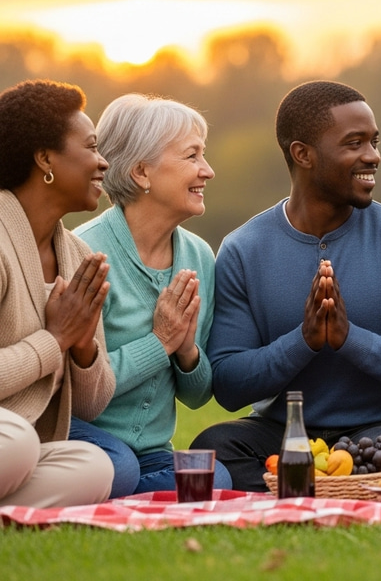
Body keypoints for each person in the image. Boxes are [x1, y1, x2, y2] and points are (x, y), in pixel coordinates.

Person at [190, 80, 381, 491]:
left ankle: (295, 489)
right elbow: (228, 382)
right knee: (213, 447)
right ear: (303, 154)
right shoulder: (245, 249)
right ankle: (324, 486)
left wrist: (349, 339)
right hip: (284, 435)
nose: (373, 156)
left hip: (380, 433)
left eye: (374, 142)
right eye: (354, 144)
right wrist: (304, 342)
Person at [69, 94, 232, 496]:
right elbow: (76, 393)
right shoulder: (85, 253)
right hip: (82, 434)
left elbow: (197, 396)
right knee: (119, 468)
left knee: (216, 478)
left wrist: (186, 350)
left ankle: (119, 492)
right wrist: (160, 342)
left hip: (152, 454)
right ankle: (121, 486)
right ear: (142, 172)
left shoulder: (199, 257)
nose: (207, 171)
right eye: (192, 156)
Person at [0, 79, 115, 507]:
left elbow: (91, 406)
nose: (103, 162)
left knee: (93, 466)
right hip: (10, 440)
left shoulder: (77, 255)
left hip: (17, 444)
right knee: (15, 443)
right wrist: (55, 340)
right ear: (45, 158)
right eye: (91, 147)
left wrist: (83, 346)